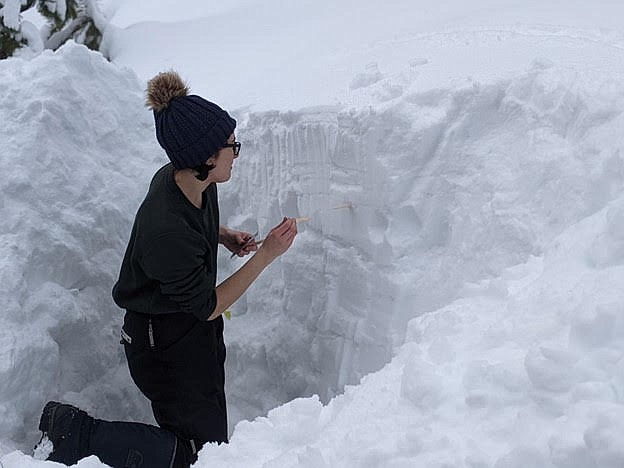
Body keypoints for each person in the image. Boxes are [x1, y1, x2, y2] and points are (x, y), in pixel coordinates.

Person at [37, 71, 298, 467]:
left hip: (188, 332)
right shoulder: (167, 229)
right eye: (232, 146)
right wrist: (267, 256)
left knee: (212, 444)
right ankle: (75, 432)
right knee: (194, 454)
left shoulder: (189, 181)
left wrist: (222, 235)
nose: (236, 153)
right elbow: (207, 304)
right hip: (164, 344)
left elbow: (190, 234)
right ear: (207, 157)